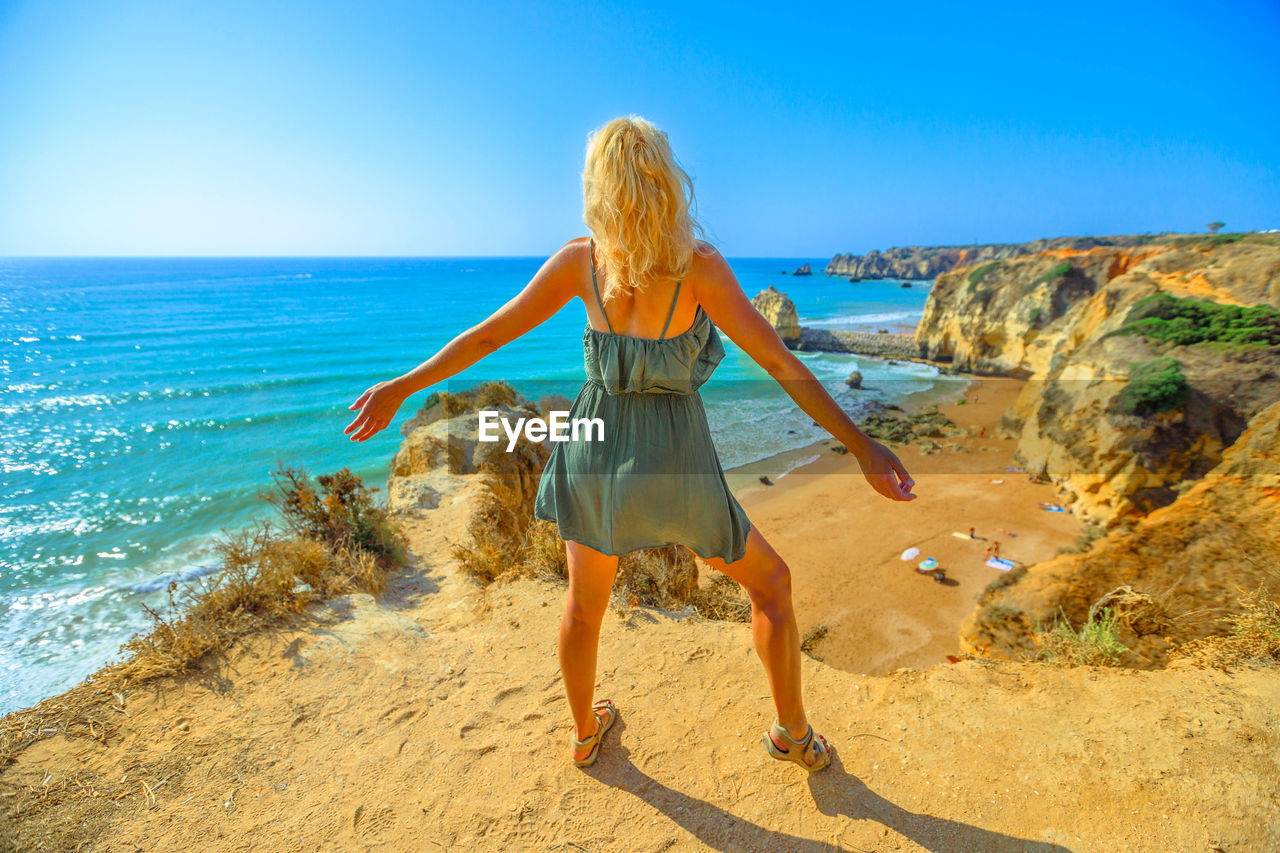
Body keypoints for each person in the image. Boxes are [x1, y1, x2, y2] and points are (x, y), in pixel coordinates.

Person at [343, 115, 916, 773]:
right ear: (667, 182)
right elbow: (780, 362)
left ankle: (585, 732)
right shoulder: (699, 269)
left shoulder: (579, 263)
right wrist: (862, 445)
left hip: (596, 450)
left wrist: (403, 386)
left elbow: (486, 337)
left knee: (584, 607)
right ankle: (792, 732)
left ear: (598, 188)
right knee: (773, 587)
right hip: (676, 459)